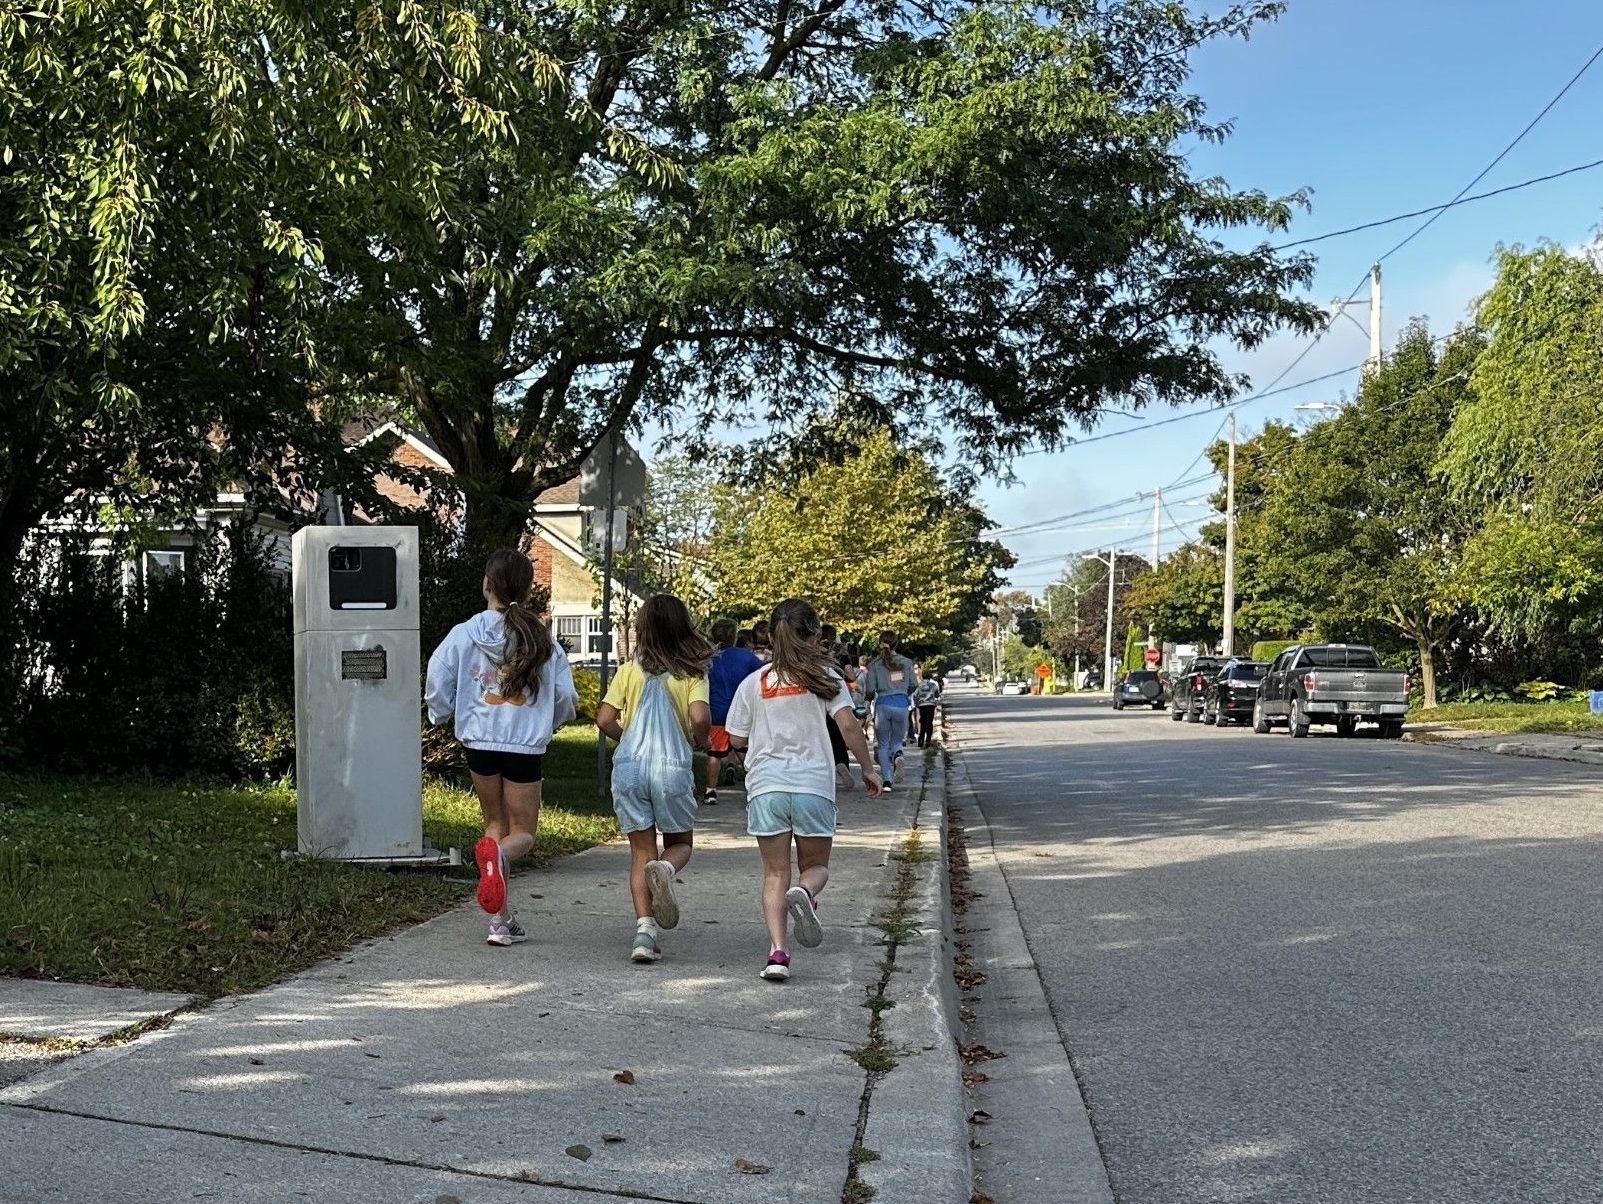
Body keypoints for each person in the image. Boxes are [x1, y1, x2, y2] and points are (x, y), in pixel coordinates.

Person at [425, 548, 578, 947]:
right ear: (527, 592)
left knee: (494, 827)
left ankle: (501, 922)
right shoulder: (541, 639)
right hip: (524, 747)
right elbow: (565, 696)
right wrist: (549, 722)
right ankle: (500, 866)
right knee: (522, 833)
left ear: (486, 585)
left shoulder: (463, 634)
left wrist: (441, 714)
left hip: (480, 744)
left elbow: (438, 678)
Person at [725, 598, 883, 981]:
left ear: (771, 637)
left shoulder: (754, 683)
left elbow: (735, 738)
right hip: (812, 786)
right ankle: (807, 892)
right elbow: (849, 727)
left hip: (766, 788)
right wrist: (868, 769)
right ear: (815, 637)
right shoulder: (825, 679)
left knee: (774, 873)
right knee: (815, 868)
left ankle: (777, 954)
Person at [595, 595, 713, 964]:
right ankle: (666, 869)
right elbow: (699, 717)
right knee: (680, 843)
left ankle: (644, 934)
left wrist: (625, 738)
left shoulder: (629, 670)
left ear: (643, 629)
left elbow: (604, 718)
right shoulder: (692, 673)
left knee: (640, 853)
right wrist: (702, 740)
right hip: (670, 769)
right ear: (683, 629)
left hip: (630, 768)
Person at [705, 617, 764, 805]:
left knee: (715, 754)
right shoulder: (745, 657)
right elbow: (763, 673)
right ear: (734, 636)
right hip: (741, 710)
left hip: (716, 711)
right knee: (745, 750)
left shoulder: (708, 658)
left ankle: (710, 791)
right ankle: (759, 787)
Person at [860, 631, 919, 787]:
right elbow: (914, 684)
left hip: (883, 706)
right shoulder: (906, 662)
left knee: (883, 745)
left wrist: (868, 701)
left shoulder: (874, 664)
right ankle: (898, 755)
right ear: (896, 644)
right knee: (897, 741)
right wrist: (903, 692)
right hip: (902, 705)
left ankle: (887, 781)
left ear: (880, 643)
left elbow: (870, 689)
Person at [912, 669, 943, 748]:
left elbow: (915, 695)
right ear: (930, 676)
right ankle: (928, 740)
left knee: (923, 721)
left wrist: (916, 704)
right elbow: (937, 695)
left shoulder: (919, 685)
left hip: (922, 705)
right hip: (931, 705)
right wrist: (936, 702)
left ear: (922, 676)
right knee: (929, 722)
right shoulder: (933, 685)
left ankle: (921, 738)